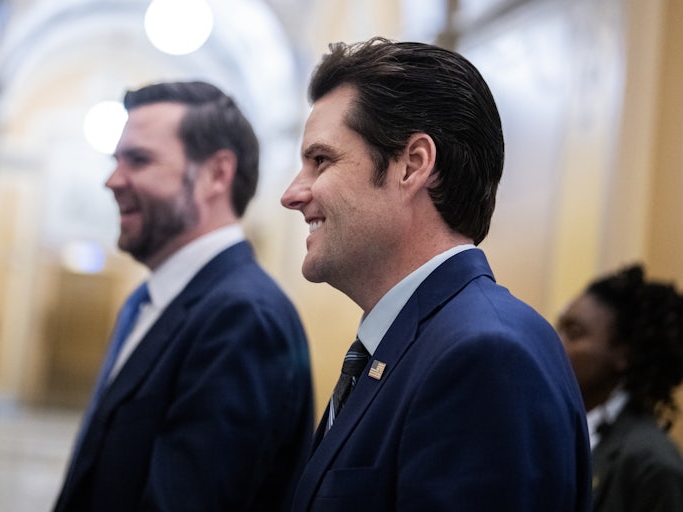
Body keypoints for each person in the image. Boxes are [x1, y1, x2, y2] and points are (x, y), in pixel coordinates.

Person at [280, 37, 592, 511]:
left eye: (321, 160)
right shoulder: (415, 343)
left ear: (412, 165)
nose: (292, 194)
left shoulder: (485, 356)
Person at [54, 81, 314, 512]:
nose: (112, 180)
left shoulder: (242, 319)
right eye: (115, 160)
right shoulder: (154, 299)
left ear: (216, 174)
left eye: (139, 160)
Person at [556, 264, 683, 511]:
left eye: (573, 333)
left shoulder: (652, 465)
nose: (556, 341)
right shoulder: (558, 425)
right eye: (559, 327)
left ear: (624, 354)